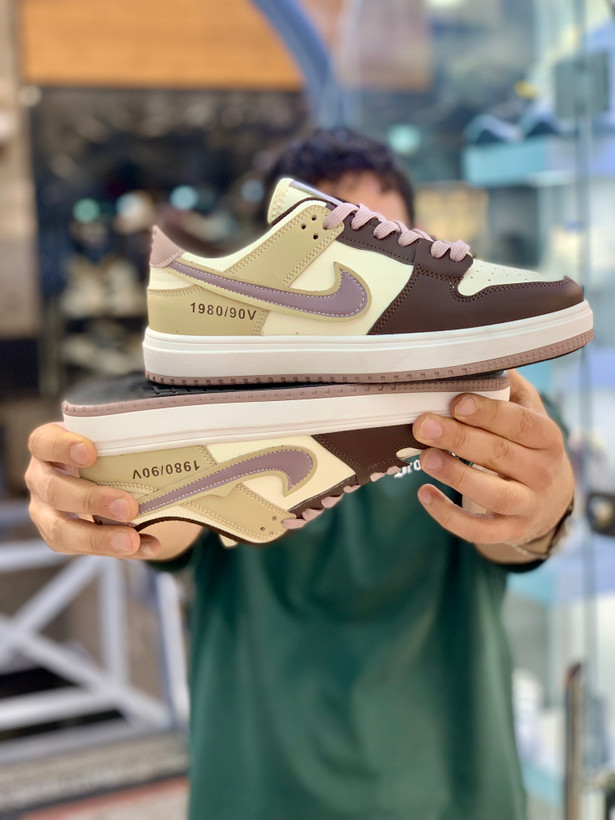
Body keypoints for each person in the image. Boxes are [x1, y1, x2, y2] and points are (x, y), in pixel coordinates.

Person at [26, 128, 574, 820]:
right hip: (261, 787)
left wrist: (542, 515)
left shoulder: (492, 407)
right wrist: (116, 497)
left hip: (453, 789)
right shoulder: (212, 407)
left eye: (390, 243)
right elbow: (172, 529)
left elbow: (519, 529)